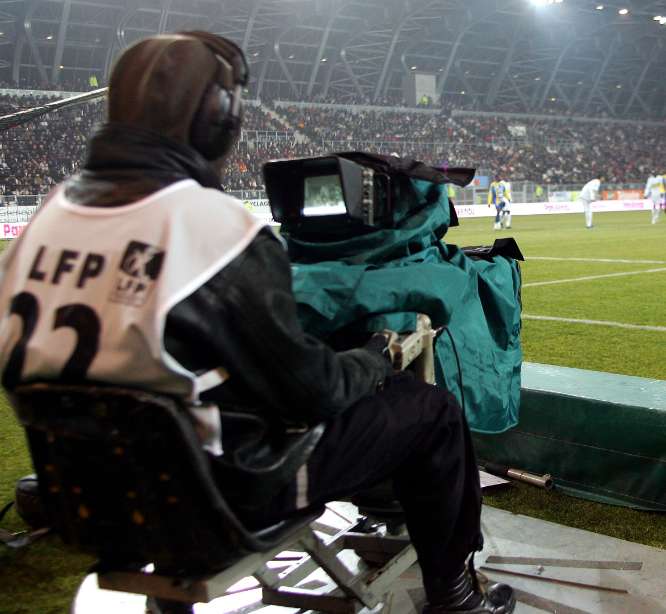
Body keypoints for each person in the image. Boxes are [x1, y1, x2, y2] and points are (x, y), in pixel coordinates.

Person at [0, 33, 515, 614]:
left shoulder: (45, 222)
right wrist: (373, 357)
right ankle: (456, 595)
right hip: (222, 498)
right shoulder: (210, 227)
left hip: (91, 503)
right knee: (429, 413)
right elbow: (312, 394)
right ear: (219, 119)